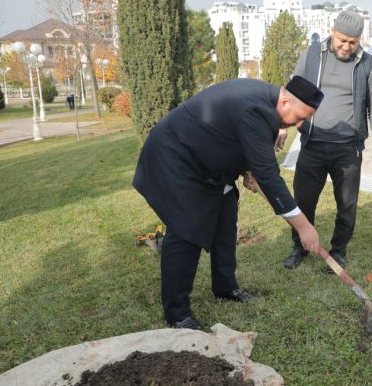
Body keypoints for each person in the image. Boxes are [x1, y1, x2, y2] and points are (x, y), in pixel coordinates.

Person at [133, 77, 324, 330]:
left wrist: (247, 168)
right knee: (186, 230)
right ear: (286, 100)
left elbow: (234, 137)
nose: (298, 125)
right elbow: (269, 177)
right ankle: (177, 314)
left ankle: (225, 288)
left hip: (208, 164)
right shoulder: (256, 110)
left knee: (226, 214)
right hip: (176, 158)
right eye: (299, 117)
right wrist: (303, 227)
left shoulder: (266, 103)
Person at [283, 11, 372, 272]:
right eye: (342, 40)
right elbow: (292, 90)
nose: (346, 46)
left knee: (347, 204)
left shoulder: (368, 65)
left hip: (347, 149)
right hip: (312, 143)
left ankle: (339, 251)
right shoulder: (311, 56)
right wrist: (282, 125)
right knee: (304, 199)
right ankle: (299, 246)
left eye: (353, 42)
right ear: (332, 31)